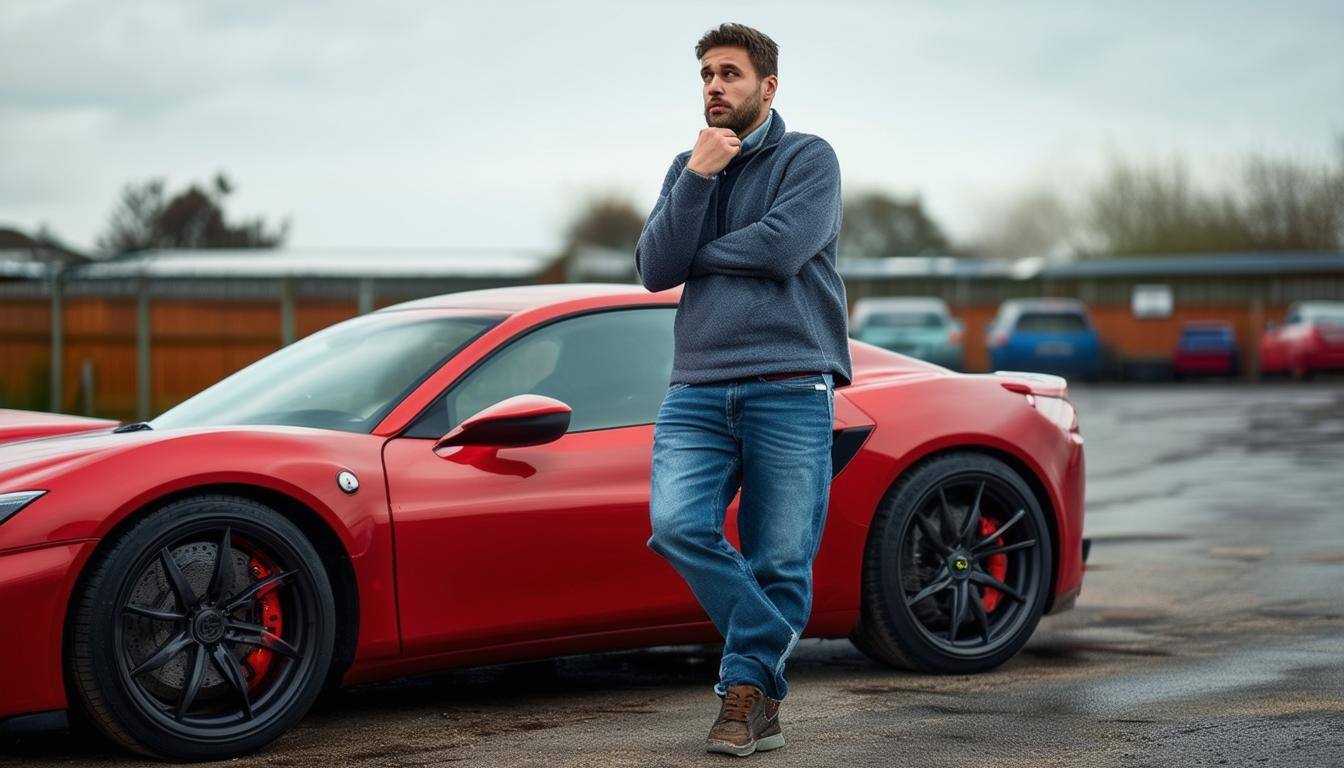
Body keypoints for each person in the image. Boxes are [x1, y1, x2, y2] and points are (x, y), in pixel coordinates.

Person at [634, 21, 852, 758]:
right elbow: (656, 267)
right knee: (676, 527)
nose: (715, 87)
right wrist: (697, 178)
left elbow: (784, 247)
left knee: (780, 558)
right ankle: (767, 645)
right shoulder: (687, 164)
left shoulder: (808, 158)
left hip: (791, 384)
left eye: (729, 73)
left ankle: (746, 700)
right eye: (705, 75)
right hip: (696, 388)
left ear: (768, 85)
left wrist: (698, 249)